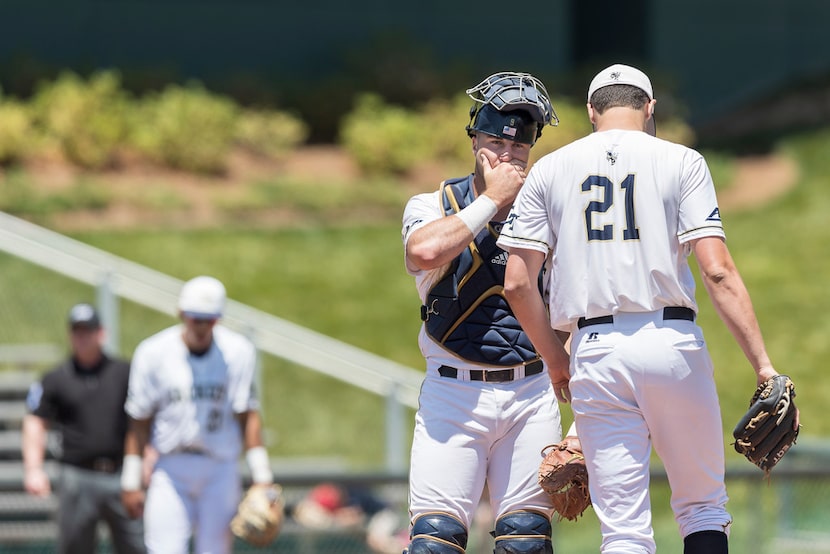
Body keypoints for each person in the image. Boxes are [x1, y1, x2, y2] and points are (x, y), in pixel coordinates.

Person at [498, 63, 801, 554]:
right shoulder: (682, 160)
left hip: (593, 352)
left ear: (592, 111)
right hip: (671, 343)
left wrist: (557, 361)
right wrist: (763, 366)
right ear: (650, 108)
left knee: (623, 530)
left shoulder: (551, 169)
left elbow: (516, 282)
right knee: (702, 507)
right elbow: (718, 271)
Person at [401, 71, 569, 554]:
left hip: (531, 390)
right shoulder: (433, 203)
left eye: (519, 146)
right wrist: (492, 199)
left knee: (526, 543)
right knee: (436, 542)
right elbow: (425, 252)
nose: (507, 154)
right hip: (452, 392)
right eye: (495, 140)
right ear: (474, 137)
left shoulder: (550, 210)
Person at [120, 275, 274, 554]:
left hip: (219, 465)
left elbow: (247, 414)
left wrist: (262, 477)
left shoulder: (237, 352)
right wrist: (131, 479)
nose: (202, 327)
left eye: (210, 320)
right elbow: (139, 420)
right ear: (181, 315)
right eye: (195, 319)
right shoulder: (154, 353)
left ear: (218, 319)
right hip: (171, 466)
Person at [22, 303, 146, 554]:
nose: (82, 337)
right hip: (77, 475)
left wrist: (148, 460)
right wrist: (33, 469)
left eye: (88, 331)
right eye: (77, 331)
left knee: (137, 546)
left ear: (102, 333)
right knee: (75, 547)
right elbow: (35, 420)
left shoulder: (126, 372)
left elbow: (144, 420)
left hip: (121, 473)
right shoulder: (56, 378)